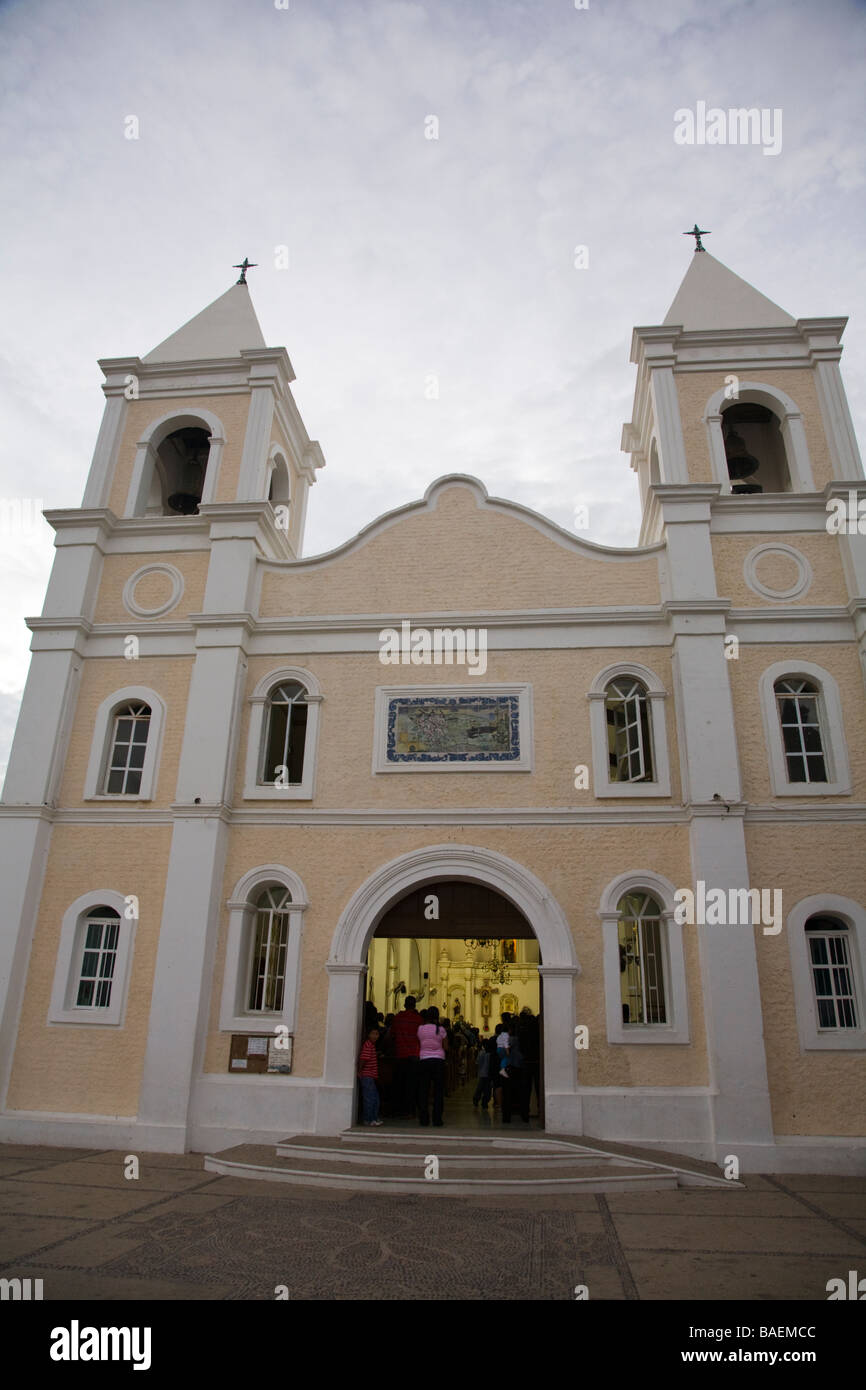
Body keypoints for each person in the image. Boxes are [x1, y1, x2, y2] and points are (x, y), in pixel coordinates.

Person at [389, 995, 424, 1117]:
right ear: (414, 1005)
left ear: (404, 1004)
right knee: (411, 1084)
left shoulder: (398, 1018)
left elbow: (392, 1035)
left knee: (399, 1083)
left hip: (400, 1054)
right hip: (414, 1055)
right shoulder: (419, 1020)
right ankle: (410, 1110)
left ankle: (398, 1109)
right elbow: (421, 1038)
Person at [417, 1005, 448, 1127]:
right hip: (438, 1061)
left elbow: (420, 1042)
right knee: (438, 1091)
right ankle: (437, 1119)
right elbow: (446, 1047)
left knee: (423, 1090)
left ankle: (424, 1119)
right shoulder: (441, 1030)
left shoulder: (420, 1029)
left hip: (424, 1060)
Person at [357, 1026, 383, 1125]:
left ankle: (373, 1118)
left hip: (370, 1076)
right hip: (367, 1076)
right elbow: (363, 1059)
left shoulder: (371, 1045)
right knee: (370, 1098)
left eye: (377, 1034)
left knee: (374, 1098)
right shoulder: (368, 1045)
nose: (375, 1036)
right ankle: (368, 1119)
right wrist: (359, 1071)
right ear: (368, 1035)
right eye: (373, 1034)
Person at [472, 1039, 491, 1109]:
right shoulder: (489, 1053)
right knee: (486, 1089)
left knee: (481, 1088)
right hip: (486, 1074)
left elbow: (477, 1063)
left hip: (482, 1073)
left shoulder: (481, 1053)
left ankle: (478, 1100)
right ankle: (484, 1102)